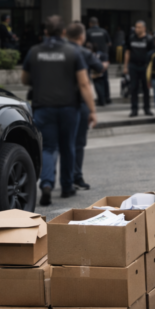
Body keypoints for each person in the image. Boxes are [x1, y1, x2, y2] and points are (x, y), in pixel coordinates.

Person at [22, 15, 97, 207]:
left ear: (45, 32)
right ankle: (67, 186)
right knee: (68, 147)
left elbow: (24, 79)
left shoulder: (34, 51)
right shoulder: (73, 52)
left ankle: (46, 184)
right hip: (69, 107)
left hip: (43, 107)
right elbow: (84, 83)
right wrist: (92, 110)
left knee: (48, 147)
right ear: (63, 32)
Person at [65, 22, 104, 191]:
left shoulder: (60, 51)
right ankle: (76, 176)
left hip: (58, 103)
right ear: (82, 36)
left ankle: (60, 179)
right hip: (79, 102)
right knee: (78, 142)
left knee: (61, 144)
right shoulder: (84, 53)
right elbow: (100, 68)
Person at [124, 20, 154, 117]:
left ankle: (147, 109)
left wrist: (151, 68)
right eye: (136, 27)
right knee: (133, 88)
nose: (136, 29)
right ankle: (134, 109)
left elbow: (152, 55)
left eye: (139, 27)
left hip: (145, 66)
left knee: (146, 89)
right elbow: (127, 52)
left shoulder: (149, 39)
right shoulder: (131, 38)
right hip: (133, 66)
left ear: (144, 28)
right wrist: (125, 66)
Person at [86, 17, 112, 105]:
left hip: (93, 57)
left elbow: (86, 44)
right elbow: (109, 43)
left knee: (96, 78)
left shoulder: (88, 32)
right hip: (104, 57)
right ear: (98, 23)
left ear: (90, 24)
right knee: (105, 78)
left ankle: (101, 100)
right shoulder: (104, 31)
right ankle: (107, 98)